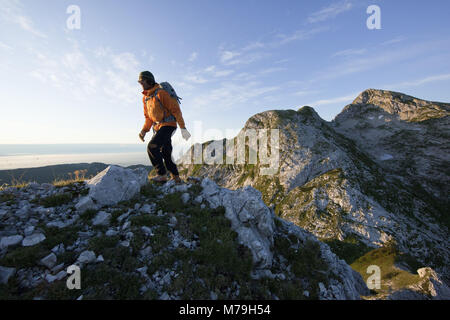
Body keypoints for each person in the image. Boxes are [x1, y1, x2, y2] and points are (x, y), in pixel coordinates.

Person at [138, 71, 191, 184]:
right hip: (158, 127)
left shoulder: (161, 93)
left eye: (142, 81)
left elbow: (176, 110)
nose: (141, 84)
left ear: (149, 80)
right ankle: (176, 177)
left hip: (169, 125)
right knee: (166, 152)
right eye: (140, 82)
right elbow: (148, 117)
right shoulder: (146, 98)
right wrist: (144, 130)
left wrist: (183, 128)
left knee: (152, 147)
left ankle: (161, 174)